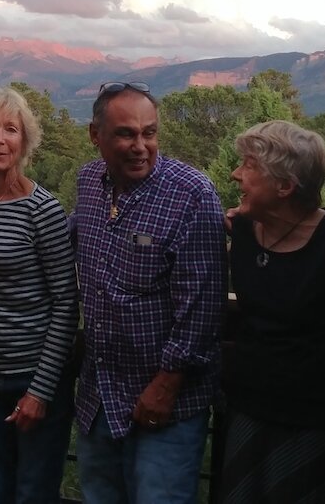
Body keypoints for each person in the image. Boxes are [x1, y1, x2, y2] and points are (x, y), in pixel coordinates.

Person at [71, 81, 227, 504]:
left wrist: (167, 383)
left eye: (150, 132)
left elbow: (202, 306)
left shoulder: (192, 195)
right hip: (99, 394)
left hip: (164, 403)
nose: (141, 145)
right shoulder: (88, 184)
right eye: (126, 133)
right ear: (95, 135)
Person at [0, 87, 78, 504]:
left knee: (32, 493)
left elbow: (65, 303)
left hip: (33, 377)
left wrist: (39, 391)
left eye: (11, 130)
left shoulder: (43, 210)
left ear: (25, 143)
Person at [220, 120, 325, 504]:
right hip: (246, 408)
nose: (235, 174)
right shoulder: (242, 229)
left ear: (285, 186)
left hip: (312, 418)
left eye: (248, 165)